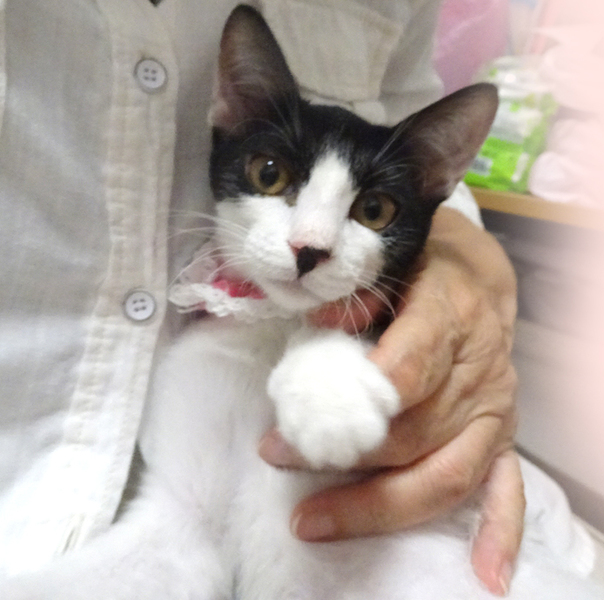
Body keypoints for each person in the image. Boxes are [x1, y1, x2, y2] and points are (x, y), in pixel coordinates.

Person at [0, 0, 521, 595]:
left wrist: (470, 284)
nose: (311, 241)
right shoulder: (203, 357)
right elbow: (180, 543)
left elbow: (426, 151)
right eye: (271, 176)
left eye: (372, 211)